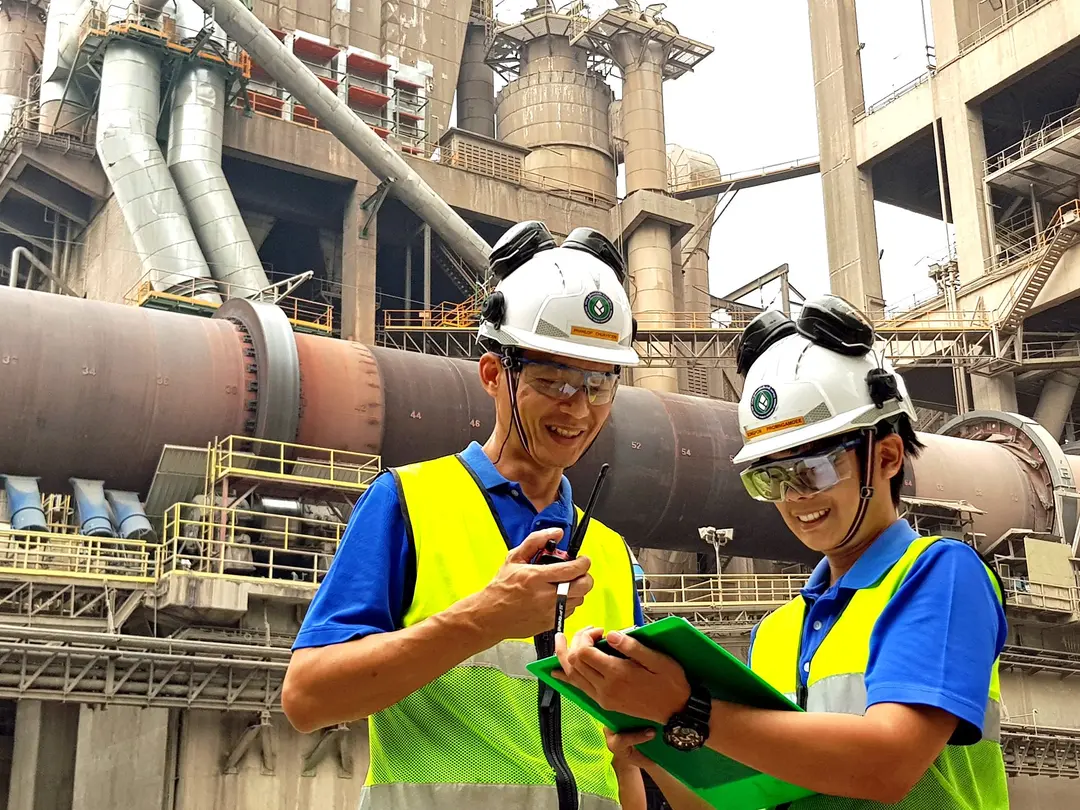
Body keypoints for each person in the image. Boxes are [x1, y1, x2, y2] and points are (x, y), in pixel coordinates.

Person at [553, 295, 1009, 809]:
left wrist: (688, 709)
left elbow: (887, 765)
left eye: (813, 470)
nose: (795, 497)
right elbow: (740, 805)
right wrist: (656, 743)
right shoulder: (774, 633)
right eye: (771, 476)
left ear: (886, 456)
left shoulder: (940, 575)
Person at [282, 220, 648, 810]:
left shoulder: (609, 552)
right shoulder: (408, 501)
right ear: (492, 375)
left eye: (597, 385)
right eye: (554, 380)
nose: (576, 409)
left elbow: (621, 756)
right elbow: (307, 699)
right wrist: (482, 619)